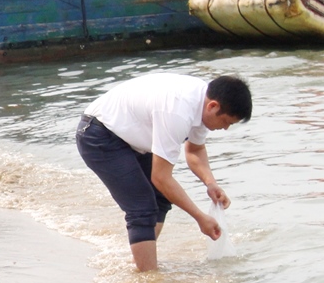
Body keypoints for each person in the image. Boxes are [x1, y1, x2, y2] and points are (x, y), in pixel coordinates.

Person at [77, 72, 251, 271]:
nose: (226, 129)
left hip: (128, 137)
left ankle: (142, 262)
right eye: (227, 122)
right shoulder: (178, 111)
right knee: (142, 207)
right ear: (213, 107)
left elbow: (195, 150)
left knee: (159, 199)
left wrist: (211, 184)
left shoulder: (203, 103)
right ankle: (148, 278)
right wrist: (200, 218)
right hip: (98, 133)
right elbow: (160, 177)